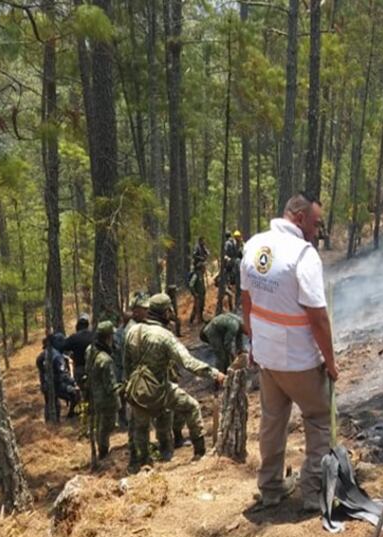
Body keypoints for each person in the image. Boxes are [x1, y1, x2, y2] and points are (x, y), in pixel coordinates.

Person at [240, 192, 337, 510]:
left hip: (267, 356)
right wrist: (331, 362)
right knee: (319, 418)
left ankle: (270, 488)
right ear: (298, 217)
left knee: (272, 420)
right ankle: (312, 492)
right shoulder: (302, 254)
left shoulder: (254, 245)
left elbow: (246, 301)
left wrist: (254, 342)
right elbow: (318, 317)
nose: (317, 230)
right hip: (298, 359)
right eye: (315, 222)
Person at [123, 293, 224, 471]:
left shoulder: (131, 331)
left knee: (140, 429)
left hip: (136, 391)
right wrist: (214, 373)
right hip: (160, 389)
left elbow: (126, 365)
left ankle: (141, 466)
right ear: (165, 311)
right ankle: (200, 454)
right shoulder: (164, 336)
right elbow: (188, 363)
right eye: (170, 309)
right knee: (191, 406)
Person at [86, 321, 120, 469]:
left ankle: (101, 452)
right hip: (106, 400)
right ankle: (104, 455)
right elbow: (111, 386)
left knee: (100, 427)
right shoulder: (105, 360)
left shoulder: (90, 350)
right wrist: (124, 389)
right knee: (106, 428)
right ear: (108, 337)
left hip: (95, 396)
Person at [36, 332, 81, 420]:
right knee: (75, 394)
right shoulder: (57, 357)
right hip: (57, 385)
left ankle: (50, 422)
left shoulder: (41, 356)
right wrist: (73, 382)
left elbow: (41, 371)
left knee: (50, 404)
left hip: (46, 385)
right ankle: (72, 417)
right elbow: (63, 374)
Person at [62, 313, 96, 389]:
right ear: (87, 325)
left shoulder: (74, 338)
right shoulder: (94, 335)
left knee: (81, 392)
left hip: (80, 368)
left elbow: (63, 346)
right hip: (94, 368)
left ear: (77, 326)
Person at [189, 238, 210, 325]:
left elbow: (207, 253)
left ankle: (200, 319)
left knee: (201, 306)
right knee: (196, 307)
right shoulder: (196, 274)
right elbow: (191, 285)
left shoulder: (203, 248)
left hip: (202, 294)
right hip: (198, 294)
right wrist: (195, 294)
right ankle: (191, 320)